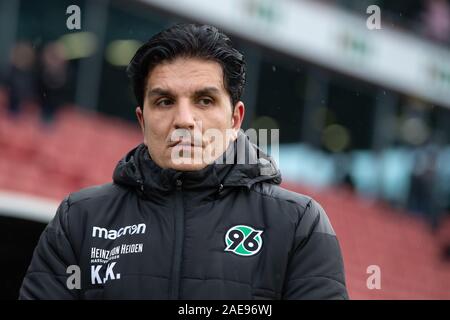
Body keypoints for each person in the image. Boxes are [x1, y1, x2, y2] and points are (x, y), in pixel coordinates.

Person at [19, 23, 348, 300]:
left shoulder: (298, 225)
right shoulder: (78, 220)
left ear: (235, 119)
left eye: (205, 100)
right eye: (164, 101)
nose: (185, 119)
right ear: (142, 120)